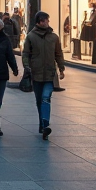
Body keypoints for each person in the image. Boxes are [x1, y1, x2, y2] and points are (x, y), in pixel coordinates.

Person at [22, 11, 65, 140]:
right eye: (44, 20)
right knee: (39, 100)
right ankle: (42, 123)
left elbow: (58, 53)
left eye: (47, 20)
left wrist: (61, 68)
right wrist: (26, 66)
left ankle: (45, 124)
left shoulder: (54, 37)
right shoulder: (31, 36)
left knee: (46, 98)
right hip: (36, 74)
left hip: (50, 73)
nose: (47, 22)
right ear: (38, 22)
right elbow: (26, 53)